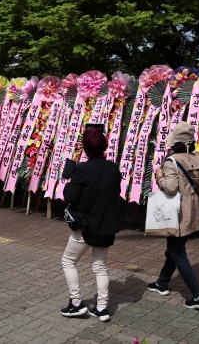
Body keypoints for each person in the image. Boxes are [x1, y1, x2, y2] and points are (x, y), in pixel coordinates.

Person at [146, 121, 199, 310]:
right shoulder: (198, 160)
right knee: (174, 249)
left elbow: (170, 188)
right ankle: (162, 283)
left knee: (177, 253)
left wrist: (158, 174)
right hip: (192, 213)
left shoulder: (171, 161)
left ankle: (198, 295)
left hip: (177, 215)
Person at [60, 127, 122, 322]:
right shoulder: (113, 168)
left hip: (86, 226)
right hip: (106, 226)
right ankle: (102, 308)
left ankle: (76, 303)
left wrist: (69, 181)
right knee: (100, 266)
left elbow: (70, 197)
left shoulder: (82, 170)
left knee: (68, 261)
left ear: (85, 148)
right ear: (104, 146)